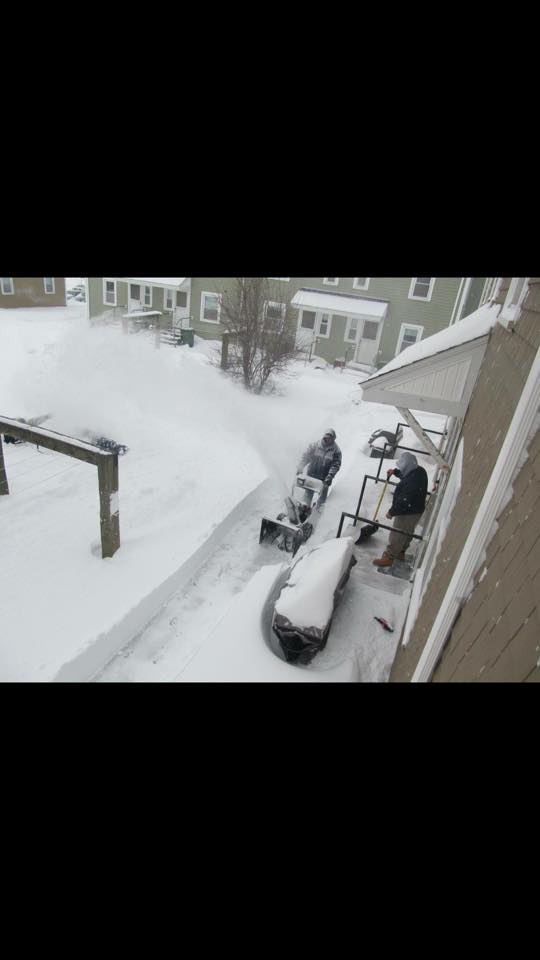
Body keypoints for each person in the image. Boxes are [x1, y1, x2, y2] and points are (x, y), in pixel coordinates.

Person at [373, 452, 428, 567]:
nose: (400, 469)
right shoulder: (418, 471)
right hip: (416, 510)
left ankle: (389, 557)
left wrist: (392, 512)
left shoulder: (412, 481)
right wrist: (396, 473)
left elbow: (404, 500)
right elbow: (406, 476)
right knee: (407, 532)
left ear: (407, 465)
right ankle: (401, 552)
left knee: (397, 533)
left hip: (407, 512)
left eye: (401, 467)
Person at [297, 428, 342, 506]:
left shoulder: (336, 451)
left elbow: (335, 465)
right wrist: (301, 467)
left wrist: (329, 476)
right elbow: (306, 456)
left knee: (321, 500)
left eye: (329, 438)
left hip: (324, 479)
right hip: (312, 475)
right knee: (307, 496)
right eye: (325, 438)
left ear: (333, 439)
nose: (327, 440)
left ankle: (318, 512)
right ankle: (304, 509)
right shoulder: (315, 445)